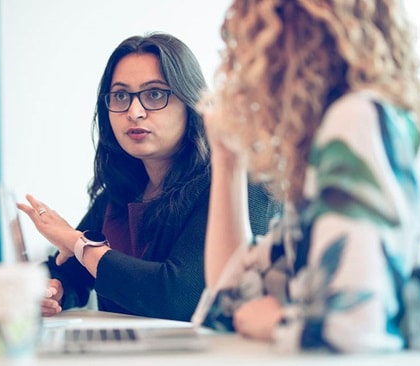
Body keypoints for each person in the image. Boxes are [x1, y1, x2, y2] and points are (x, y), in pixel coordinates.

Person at [200, 0, 420, 354]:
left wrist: (279, 322)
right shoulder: (351, 131)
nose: (237, 68)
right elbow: (231, 297)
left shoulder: (358, 120)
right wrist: (225, 159)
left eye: (246, 42)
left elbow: (353, 333)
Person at [17, 32, 280, 322]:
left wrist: (79, 244)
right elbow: (70, 267)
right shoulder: (124, 188)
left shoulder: (237, 183)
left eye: (155, 94)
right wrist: (54, 289)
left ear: (192, 103)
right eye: (120, 96)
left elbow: (178, 297)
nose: (134, 112)